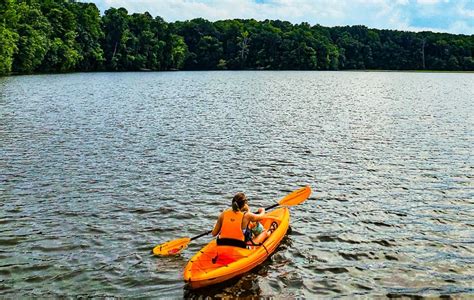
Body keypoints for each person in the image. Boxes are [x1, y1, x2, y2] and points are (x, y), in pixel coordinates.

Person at [211, 192, 277, 248]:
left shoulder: (223, 214)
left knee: (250, 228)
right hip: (241, 246)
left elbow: (214, 233)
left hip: (222, 243)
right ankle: (270, 231)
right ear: (244, 204)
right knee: (264, 233)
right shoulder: (247, 216)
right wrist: (263, 210)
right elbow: (262, 217)